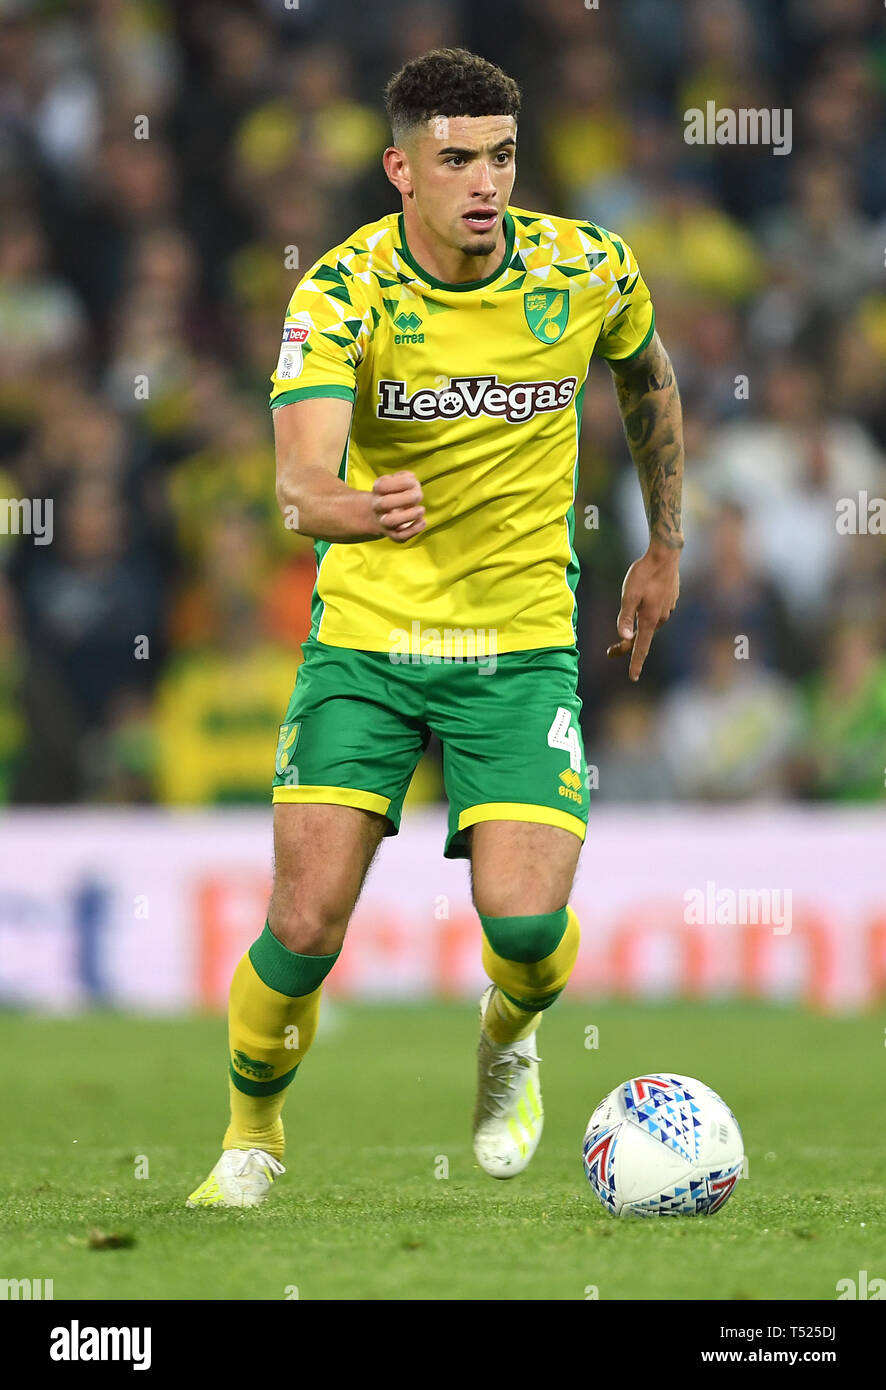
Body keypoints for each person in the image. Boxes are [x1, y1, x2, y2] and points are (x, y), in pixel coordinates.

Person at [187, 47, 683, 1209]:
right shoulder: (341, 295)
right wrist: (358, 507)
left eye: (502, 156)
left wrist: (664, 546)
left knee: (526, 927)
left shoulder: (587, 268)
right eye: (457, 159)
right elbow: (298, 487)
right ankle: (250, 1135)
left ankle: (508, 1037)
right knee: (304, 925)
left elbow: (647, 380)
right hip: (367, 641)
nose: (486, 183)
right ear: (398, 167)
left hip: (516, 645)